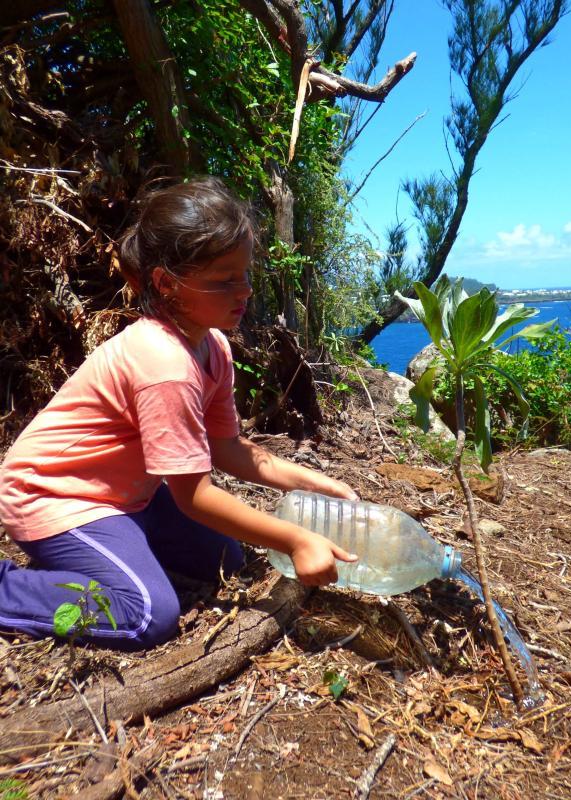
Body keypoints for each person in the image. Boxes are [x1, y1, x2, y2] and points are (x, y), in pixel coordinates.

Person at [0, 177, 358, 651]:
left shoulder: (214, 348)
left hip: (129, 496)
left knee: (228, 559)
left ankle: (103, 552)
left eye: (246, 274)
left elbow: (227, 449)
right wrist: (295, 540)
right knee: (148, 614)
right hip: (56, 497)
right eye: (225, 280)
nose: (244, 291)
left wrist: (316, 482)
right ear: (167, 283)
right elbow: (193, 496)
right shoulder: (163, 364)